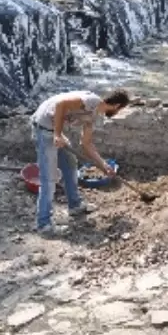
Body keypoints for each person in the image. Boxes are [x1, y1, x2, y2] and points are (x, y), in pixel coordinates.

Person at [30, 89, 131, 234]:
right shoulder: (91, 102)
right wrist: (57, 135)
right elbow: (61, 104)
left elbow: (86, 144)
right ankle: (43, 224)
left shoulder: (94, 115)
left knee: (70, 163)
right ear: (117, 106)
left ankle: (75, 205)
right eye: (120, 110)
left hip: (54, 130)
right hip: (44, 128)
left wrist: (103, 166)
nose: (118, 113)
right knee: (49, 178)